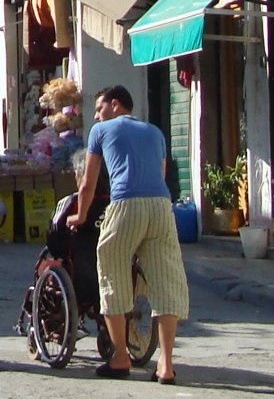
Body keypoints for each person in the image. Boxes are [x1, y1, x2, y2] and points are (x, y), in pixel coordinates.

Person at [66, 84, 185, 383]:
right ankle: (166, 365)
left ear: (115, 105)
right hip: (161, 206)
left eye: (99, 109)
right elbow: (160, 175)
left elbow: (87, 185)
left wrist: (80, 215)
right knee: (165, 281)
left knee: (111, 272)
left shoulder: (101, 132)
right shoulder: (156, 132)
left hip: (125, 205)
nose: (96, 116)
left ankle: (120, 357)